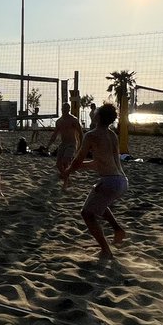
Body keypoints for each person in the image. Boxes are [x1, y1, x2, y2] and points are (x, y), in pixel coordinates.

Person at [61, 103, 128, 260]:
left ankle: (106, 250)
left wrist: (68, 172)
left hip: (110, 181)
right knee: (98, 203)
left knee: (86, 213)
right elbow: (98, 163)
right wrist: (71, 169)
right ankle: (118, 230)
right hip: (122, 181)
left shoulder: (91, 135)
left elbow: (78, 160)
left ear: (97, 117)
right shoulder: (112, 135)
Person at [46, 103, 84, 187]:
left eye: (66, 109)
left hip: (72, 143)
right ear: (61, 109)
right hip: (63, 144)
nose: (64, 110)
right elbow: (54, 134)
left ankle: (66, 182)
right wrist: (48, 145)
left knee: (65, 161)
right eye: (63, 109)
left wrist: (81, 146)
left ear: (69, 109)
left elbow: (81, 133)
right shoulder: (59, 121)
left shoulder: (73, 120)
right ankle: (65, 176)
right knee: (58, 164)